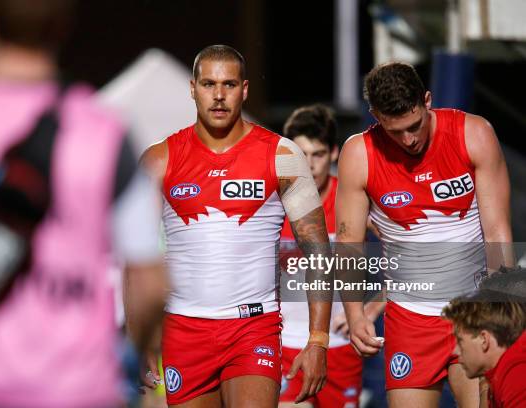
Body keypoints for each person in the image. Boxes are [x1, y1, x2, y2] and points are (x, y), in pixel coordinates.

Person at [0, 1, 166, 407]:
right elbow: (150, 283)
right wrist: (131, 357)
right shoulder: (108, 134)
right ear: (63, 25)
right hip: (82, 390)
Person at [140, 45, 333, 407]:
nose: (218, 95)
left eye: (228, 85)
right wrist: (139, 339)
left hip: (253, 329)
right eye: (208, 84)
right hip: (184, 330)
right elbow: (136, 256)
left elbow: (318, 252)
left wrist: (317, 339)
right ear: (192, 87)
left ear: (244, 90)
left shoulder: (283, 156)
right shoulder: (158, 159)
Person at [335, 61, 513, 407]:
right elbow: (349, 242)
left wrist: (504, 316)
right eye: (395, 131)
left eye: (415, 126)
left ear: (427, 100)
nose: (409, 139)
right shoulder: (359, 154)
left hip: (473, 312)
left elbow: (498, 233)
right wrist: (355, 315)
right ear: (374, 116)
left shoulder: (473, 133)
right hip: (409, 319)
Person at [278, 104, 384, 408]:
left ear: (334, 153)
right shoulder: (272, 204)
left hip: (340, 349)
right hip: (286, 347)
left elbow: (408, 253)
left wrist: (370, 310)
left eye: (318, 154)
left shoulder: (351, 202)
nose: (309, 165)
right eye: (300, 155)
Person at [442, 285, 526, 408]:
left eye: (460, 341)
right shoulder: (503, 371)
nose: (455, 351)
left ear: (484, 339)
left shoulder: (518, 375)